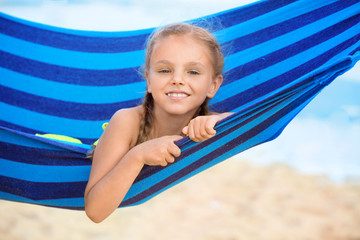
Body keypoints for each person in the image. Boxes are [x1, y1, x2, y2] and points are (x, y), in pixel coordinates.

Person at [84, 23, 232, 223]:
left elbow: (248, 122)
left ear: (213, 86)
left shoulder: (209, 124)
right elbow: (95, 211)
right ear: (148, 81)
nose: (177, 79)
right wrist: (137, 156)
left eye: (193, 72)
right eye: (164, 70)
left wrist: (217, 120)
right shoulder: (126, 121)